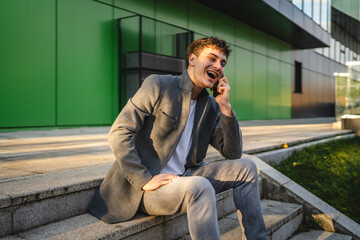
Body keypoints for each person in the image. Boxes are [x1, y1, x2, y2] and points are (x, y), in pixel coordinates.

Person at [88, 37, 268, 240]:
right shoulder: (159, 85)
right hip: (147, 188)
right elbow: (119, 132)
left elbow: (232, 152)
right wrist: (144, 179)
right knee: (200, 186)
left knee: (247, 168)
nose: (218, 66)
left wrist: (225, 107)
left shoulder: (211, 106)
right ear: (192, 59)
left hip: (185, 175)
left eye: (222, 63)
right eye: (212, 58)